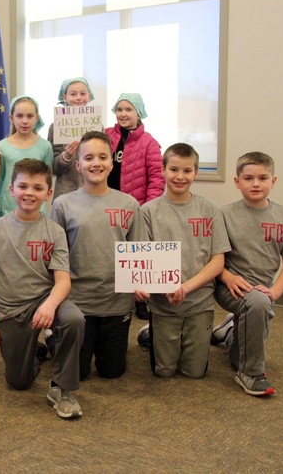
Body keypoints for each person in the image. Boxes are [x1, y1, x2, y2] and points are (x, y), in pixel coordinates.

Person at [0, 159, 85, 419]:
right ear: (11, 190)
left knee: (73, 318)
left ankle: (62, 388)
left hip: (44, 302)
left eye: (37, 188)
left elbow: (63, 280)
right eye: (23, 186)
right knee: (19, 382)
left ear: (48, 194)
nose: (29, 193)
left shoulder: (55, 232)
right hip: (11, 309)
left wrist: (49, 305)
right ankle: (38, 349)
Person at [50, 130, 143, 381]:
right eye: (89, 158)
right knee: (78, 373)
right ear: (78, 165)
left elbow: (139, 252)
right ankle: (53, 338)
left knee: (112, 372)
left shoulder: (129, 204)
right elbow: (55, 256)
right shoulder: (62, 204)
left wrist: (141, 285)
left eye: (103, 157)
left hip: (117, 301)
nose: (96, 163)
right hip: (78, 302)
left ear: (111, 163)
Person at [134, 143, 230, 378]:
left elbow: (217, 261)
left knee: (193, 372)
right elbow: (142, 261)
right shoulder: (147, 211)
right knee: (164, 371)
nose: (180, 176)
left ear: (196, 173)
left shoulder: (210, 209)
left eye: (187, 171)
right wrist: (143, 287)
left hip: (200, 301)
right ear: (163, 170)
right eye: (174, 169)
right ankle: (152, 332)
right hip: (164, 304)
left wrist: (185, 287)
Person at [211, 152, 283, 396]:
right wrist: (228, 277)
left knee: (238, 354)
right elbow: (214, 258)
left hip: (262, 293)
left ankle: (230, 331)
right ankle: (251, 374)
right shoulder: (223, 214)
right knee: (257, 312)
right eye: (248, 178)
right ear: (237, 181)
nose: (256, 183)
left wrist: (275, 291)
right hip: (228, 285)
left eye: (263, 178)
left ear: (273, 181)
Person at [105, 92, 164, 320]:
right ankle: (114, 297)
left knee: (135, 254)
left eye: (128, 109)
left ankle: (140, 300)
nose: (123, 114)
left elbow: (157, 178)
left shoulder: (149, 142)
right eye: (119, 109)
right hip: (107, 204)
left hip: (136, 207)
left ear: (139, 113)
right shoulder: (106, 135)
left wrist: (146, 208)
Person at [0, 95, 53, 218]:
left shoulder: (45, 146)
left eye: (30, 116)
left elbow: (47, 178)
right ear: (11, 118)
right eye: (20, 116)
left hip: (35, 206)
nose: (25, 121)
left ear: (37, 118)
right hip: (7, 206)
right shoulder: (1, 146)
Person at [47, 77, 94, 199]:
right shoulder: (56, 126)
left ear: (89, 96)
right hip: (65, 193)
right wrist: (66, 156)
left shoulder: (97, 126)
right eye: (73, 94)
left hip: (93, 192)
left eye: (83, 93)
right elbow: (53, 168)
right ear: (64, 97)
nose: (78, 97)